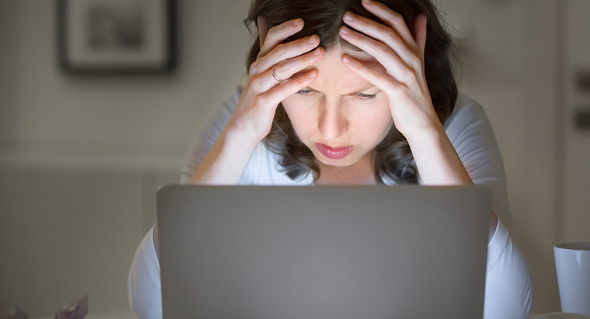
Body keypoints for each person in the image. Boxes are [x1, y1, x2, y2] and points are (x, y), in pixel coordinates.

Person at [128, 0, 534, 317]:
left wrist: (425, 131)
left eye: (364, 94)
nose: (331, 129)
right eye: (306, 92)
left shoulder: (456, 126)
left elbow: (505, 309)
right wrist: (241, 133)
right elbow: (153, 305)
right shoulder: (243, 121)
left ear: (413, 61)